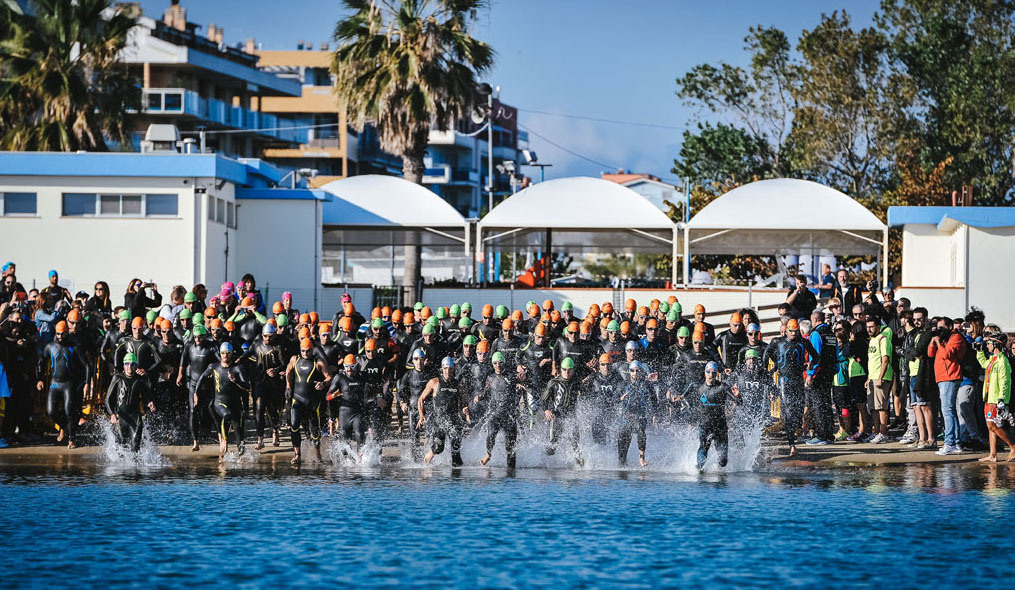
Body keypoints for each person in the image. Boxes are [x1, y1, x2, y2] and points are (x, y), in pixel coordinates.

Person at [768, 319, 816, 456]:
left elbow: (817, 357)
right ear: (786, 331)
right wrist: (776, 365)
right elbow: (767, 354)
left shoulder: (803, 342)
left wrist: (809, 364)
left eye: (796, 331)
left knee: (798, 412)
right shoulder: (779, 342)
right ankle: (792, 445)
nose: (793, 334)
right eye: (791, 331)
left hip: (797, 381)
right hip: (784, 380)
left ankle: (793, 435)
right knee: (788, 412)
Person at [38, 321, 89, 448]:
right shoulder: (50, 347)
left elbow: (87, 365)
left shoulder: (74, 347)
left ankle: (72, 439)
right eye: (58, 334)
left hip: (69, 383)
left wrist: (87, 383)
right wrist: (39, 379)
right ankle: (63, 427)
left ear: (67, 333)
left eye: (62, 334)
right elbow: (41, 362)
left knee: (69, 411)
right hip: (55, 383)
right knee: (51, 412)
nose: (60, 337)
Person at [196, 342, 250, 456]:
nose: (225, 356)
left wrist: (236, 381)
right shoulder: (214, 367)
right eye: (223, 353)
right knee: (226, 416)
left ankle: (241, 463)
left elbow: (247, 387)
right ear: (219, 354)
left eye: (228, 353)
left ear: (232, 354)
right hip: (220, 402)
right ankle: (224, 441)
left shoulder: (237, 369)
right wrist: (196, 393)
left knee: (239, 436)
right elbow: (202, 378)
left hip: (236, 405)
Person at [285, 338, 330, 465]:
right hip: (297, 399)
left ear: (312, 350)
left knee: (315, 431)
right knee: (294, 426)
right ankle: (297, 454)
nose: (305, 353)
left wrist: (323, 383)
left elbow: (329, 377)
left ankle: (318, 455)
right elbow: (288, 370)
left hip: (313, 402)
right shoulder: (295, 359)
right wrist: (288, 385)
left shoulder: (318, 362)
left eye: (308, 351)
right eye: (303, 351)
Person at [417, 357, 468, 466]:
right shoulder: (435, 382)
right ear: (442, 368)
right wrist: (422, 415)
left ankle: (458, 479)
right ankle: (428, 458)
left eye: (450, 369)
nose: (447, 371)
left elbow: (463, 403)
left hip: (454, 421)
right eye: (445, 368)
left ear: (453, 369)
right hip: (438, 421)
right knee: (438, 448)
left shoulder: (459, 384)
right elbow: (421, 399)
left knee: (456, 453)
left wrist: (465, 410)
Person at [928, 317, 967, 455]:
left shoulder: (956, 337)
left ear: (950, 326)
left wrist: (938, 342)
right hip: (943, 377)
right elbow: (930, 353)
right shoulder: (944, 339)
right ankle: (956, 443)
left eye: (942, 327)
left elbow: (947, 355)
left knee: (947, 411)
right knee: (950, 411)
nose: (940, 330)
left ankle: (949, 442)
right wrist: (934, 340)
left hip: (950, 376)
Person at [975, 330, 1015, 462]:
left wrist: (1002, 399)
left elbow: (1005, 382)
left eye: (988, 343)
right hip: (988, 397)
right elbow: (983, 364)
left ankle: (1013, 446)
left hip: (996, 398)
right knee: (990, 427)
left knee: (993, 426)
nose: (987, 345)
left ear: (995, 344)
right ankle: (993, 454)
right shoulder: (993, 359)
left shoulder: (1003, 361)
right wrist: (979, 351)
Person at [692, 361, 739, 471]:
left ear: (717, 373)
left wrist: (738, 396)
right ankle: (699, 471)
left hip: (720, 427)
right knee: (703, 450)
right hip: (705, 426)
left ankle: (716, 469)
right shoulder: (699, 387)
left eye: (713, 372)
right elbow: (690, 399)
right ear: (705, 372)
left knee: (723, 462)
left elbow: (739, 402)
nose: (710, 375)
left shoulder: (722, 387)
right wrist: (680, 397)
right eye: (708, 372)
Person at [478, 351, 521, 467]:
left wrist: (523, 381)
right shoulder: (490, 378)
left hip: (509, 415)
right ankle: (488, 454)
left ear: (504, 363)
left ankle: (511, 472)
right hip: (495, 414)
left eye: (500, 363)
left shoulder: (511, 376)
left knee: (510, 447)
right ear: (492, 364)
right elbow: (486, 392)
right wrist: (479, 397)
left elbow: (524, 380)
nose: (498, 365)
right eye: (495, 363)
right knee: (491, 434)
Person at [105, 353, 156, 452]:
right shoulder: (117, 378)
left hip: (135, 417)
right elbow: (108, 399)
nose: (129, 367)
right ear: (123, 365)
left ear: (136, 366)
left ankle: (136, 467)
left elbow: (146, 395)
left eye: (132, 364)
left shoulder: (140, 379)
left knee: (135, 448)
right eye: (127, 364)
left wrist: (150, 403)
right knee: (120, 449)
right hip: (121, 417)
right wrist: (112, 414)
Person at [541, 356, 583, 465]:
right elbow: (543, 399)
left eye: (569, 370)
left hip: (571, 416)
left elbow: (585, 396)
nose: (567, 372)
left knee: (575, 443)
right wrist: (546, 410)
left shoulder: (577, 382)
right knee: (552, 448)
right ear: (560, 370)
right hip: (557, 416)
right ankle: (540, 459)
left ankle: (579, 464)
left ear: (573, 370)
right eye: (564, 370)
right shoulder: (554, 382)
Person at [618, 361, 653, 467]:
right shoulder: (624, 384)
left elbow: (654, 399)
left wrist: (655, 414)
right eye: (632, 371)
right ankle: (623, 465)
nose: (635, 373)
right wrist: (621, 398)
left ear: (640, 372)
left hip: (640, 415)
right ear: (629, 372)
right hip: (626, 416)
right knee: (622, 455)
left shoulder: (646, 384)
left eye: (637, 371)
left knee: (640, 430)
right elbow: (613, 399)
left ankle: (642, 458)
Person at [865, 316, 893, 444]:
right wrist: (869, 378)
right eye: (867, 327)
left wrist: (880, 378)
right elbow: (872, 361)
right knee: (873, 407)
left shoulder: (883, 339)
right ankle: (876, 432)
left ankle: (883, 433)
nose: (869, 329)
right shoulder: (872, 340)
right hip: (872, 377)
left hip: (881, 377)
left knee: (881, 407)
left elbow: (885, 359)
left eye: (871, 327)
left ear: (878, 327)